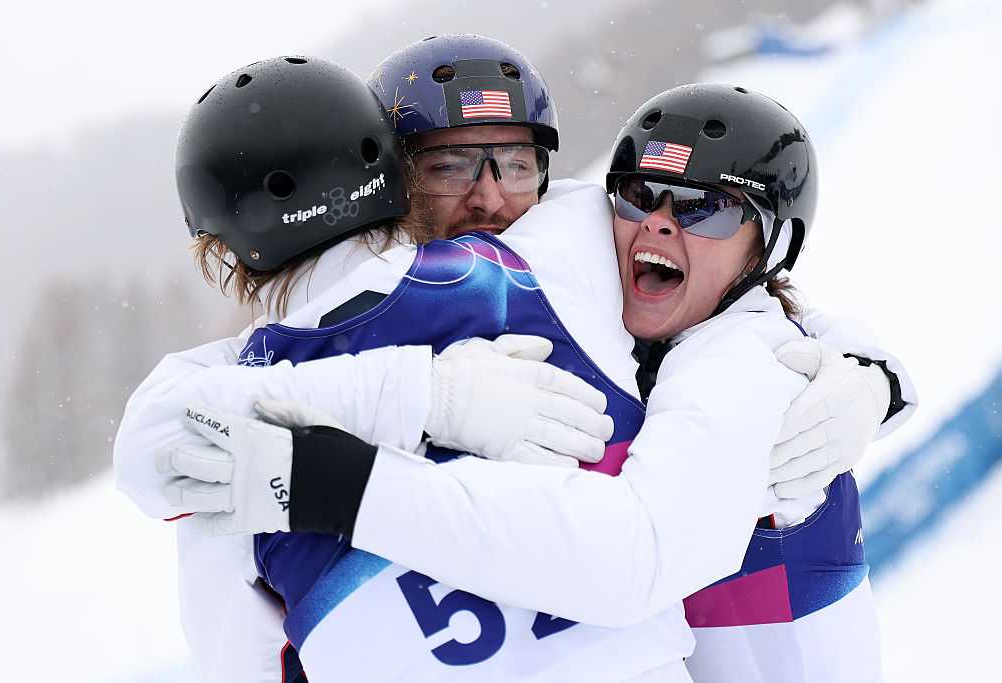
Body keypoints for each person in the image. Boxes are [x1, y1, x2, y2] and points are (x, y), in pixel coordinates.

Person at [116, 37, 914, 681]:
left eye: (518, 164)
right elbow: (160, 445)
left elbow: (741, 292)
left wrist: (865, 371)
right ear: (391, 178)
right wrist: (420, 394)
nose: (492, 199)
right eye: (449, 167)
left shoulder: (580, 248)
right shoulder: (254, 368)